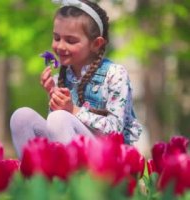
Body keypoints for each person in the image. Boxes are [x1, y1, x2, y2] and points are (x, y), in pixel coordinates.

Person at [10, 0, 143, 157]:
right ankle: (34, 177)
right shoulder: (61, 77)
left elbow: (116, 130)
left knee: (59, 118)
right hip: (76, 153)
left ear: (96, 44)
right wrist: (53, 94)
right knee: (21, 117)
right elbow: (58, 134)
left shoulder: (114, 74)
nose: (60, 46)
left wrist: (73, 110)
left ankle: (74, 180)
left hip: (109, 158)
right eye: (57, 38)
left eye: (70, 40)